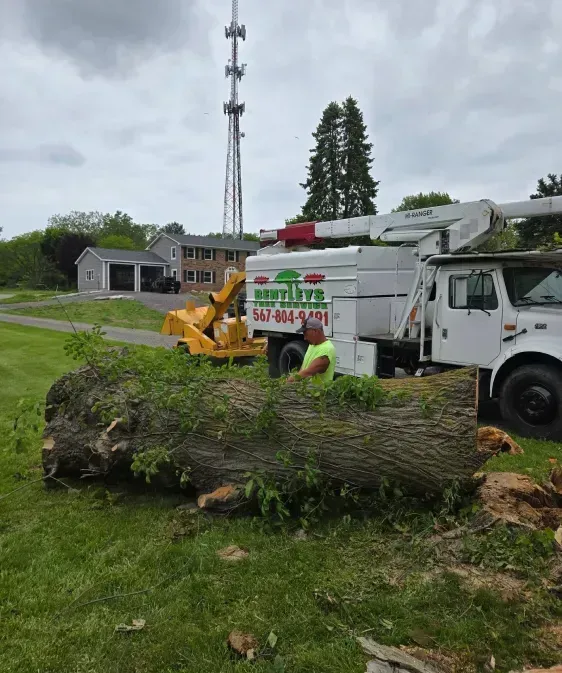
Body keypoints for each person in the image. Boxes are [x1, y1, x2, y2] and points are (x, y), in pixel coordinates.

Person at [286, 316, 336, 384]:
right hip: (306, 391)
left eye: (306, 334)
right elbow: (303, 369)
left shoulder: (327, 350)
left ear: (315, 331)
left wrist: (288, 381)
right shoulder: (312, 345)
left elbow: (308, 372)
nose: (305, 338)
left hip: (318, 393)